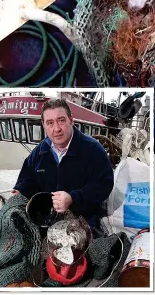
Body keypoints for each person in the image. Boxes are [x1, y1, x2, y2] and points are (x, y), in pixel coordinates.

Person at [12, 98, 114, 229]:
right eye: (50, 123)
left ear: (71, 120)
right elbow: (27, 179)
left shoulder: (93, 150)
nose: (56, 129)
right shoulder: (39, 152)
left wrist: (73, 199)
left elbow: (103, 185)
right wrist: (20, 191)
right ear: (44, 125)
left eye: (61, 120)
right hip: (46, 222)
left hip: (84, 223)